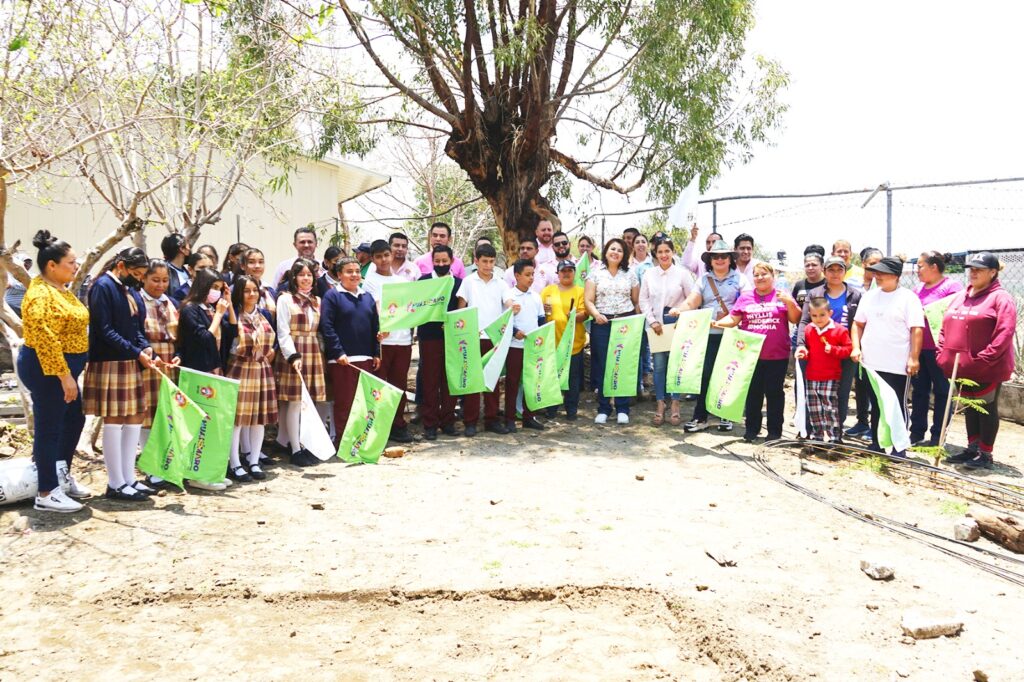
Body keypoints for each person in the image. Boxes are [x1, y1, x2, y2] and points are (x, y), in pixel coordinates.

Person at [17, 231, 91, 512]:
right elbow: (44, 337)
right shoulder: (39, 293)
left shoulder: (61, 289)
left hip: (65, 368)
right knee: (49, 427)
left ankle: (60, 475)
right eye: (71, 262)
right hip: (48, 369)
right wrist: (64, 375)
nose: (76, 266)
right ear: (52, 265)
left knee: (73, 419)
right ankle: (46, 492)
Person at [82, 247, 160, 502]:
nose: (139, 279)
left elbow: (136, 328)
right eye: (136, 273)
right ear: (121, 266)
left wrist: (146, 348)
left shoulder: (129, 290)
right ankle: (115, 483)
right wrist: (136, 352)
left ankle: (129, 478)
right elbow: (104, 329)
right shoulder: (102, 286)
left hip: (129, 360)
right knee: (114, 419)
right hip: (110, 361)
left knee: (135, 416)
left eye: (141, 275)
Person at [937, 253, 1017, 470]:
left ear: (993, 272)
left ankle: (985, 454)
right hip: (960, 366)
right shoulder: (962, 296)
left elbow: (1005, 332)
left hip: (987, 367)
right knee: (970, 407)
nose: (973, 273)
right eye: (971, 269)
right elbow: (944, 326)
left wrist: (984, 359)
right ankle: (972, 449)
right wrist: (942, 353)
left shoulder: (1000, 298)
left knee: (985, 408)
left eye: (979, 269)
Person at [714, 262, 801, 441]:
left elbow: (795, 319)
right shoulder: (745, 297)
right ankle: (752, 429)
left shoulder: (782, 295)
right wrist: (717, 323)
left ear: (772, 276)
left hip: (777, 354)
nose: (760, 278)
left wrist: (789, 302)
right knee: (753, 393)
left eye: (764, 274)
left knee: (774, 393)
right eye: (756, 275)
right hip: (750, 355)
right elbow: (733, 319)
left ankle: (774, 431)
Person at [671, 239, 749, 432]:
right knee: (705, 375)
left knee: (728, 374)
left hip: (731, 335)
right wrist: (680, 309)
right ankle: (701, 417)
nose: (720, 260)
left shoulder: (740, 279)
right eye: (715, 257)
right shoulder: (704, 280)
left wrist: (732, 319)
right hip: (708, 335)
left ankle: (726, 415)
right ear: (710, 260)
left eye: (724, 256)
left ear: (730, 259)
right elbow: (692, 301)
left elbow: (747, 303)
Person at [851, 257, 924, 457]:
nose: (877, 276)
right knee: (876, 404)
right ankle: (878, 443)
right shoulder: (869, 297)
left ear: (895, 275)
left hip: (897, 363)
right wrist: (856, 347)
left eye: (882, 273)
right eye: (876, 272)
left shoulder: (908, 298)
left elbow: (916, 329)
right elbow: (858, 324)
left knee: (896, 405)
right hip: (871, 362)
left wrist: (914, 358)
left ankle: (899, 446)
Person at [796, 257, 863, 436]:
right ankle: (810, 432)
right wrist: (801, 345)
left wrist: (856, 347)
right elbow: (804, 320)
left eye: (839, 270)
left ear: (845, 272)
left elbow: (858, 324)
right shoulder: (815, 293)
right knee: (813, 393)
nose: (835, 274)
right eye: (831, 270)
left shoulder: (855, 295)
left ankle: (835, 434)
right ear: (824, 272)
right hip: (817, 352)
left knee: (840, 394)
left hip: (844, 351)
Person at [321, 257, 381, 444]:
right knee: (345, 403)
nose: (354, 275)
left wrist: (376, 352)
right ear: (339, 274)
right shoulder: (332, 296)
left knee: (365, 403)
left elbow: (375, 327)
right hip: (343, 361)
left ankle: (361, 442)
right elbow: (327, 326)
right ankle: (344, 443)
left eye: (357, 271)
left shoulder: (367, 297)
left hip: (366, 359)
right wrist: (338, 352)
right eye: (349, 271)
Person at [225, 275, 278, 482]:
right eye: (247, 291)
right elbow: (228, 341)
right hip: (239, 368)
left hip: (261, 368)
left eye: (255, 290)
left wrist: (270, 351)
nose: (252, 294)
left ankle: (254, 460)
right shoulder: (233, 315)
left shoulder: (264, 314)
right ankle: (234, 463)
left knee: (259, 418)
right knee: (237, 419)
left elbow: (272, 340)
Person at [274, 258, 327, 466]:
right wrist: (292, 355)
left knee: (307, 401)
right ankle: (295, 449)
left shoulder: (317, 301)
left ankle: (300, 443)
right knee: (294, 401)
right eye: (301, 274)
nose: (306, 278)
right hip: (294, 352)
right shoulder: (285, 299)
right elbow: (283, 331)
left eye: (309, 275)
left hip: (312, 351)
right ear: (294, 277)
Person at [363, 240, 414, 443]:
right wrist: (379, 329)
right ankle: (378, 427)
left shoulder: (402, 282)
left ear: (392, 255)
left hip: (403, 340)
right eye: (378, 257)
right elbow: (374, 308)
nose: (383, 260)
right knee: (380, 386)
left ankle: (398, 424)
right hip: (382, 342)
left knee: (399, 385)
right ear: (372, 259)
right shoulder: (369, 281)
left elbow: (410, 308)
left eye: (386, 255)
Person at [910, 251, 964, 446]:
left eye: (920, 266)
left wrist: (928, 312)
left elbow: (956, 314)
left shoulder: (952, 287)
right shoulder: (917, 289)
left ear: (934, 267)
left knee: (942, 391)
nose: (917, 270)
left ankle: (937, 437)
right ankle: (916, 433)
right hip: (919, 348)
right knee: (919, 392)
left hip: (941, 349)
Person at [639, 238, 694, 426]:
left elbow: (692, 299)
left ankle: (675, 402)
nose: (663, 255)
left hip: (677, 324)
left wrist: (682, 319)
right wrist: (652, 321)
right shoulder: (649, 274)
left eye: (667, 251)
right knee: (659, 366)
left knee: (676, 365)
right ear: (655, 254)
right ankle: (661, 403)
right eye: (660, 252)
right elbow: (643, 300)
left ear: (672, 252)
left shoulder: (682, 274)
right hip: (656, 326)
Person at [584, 238, 639, 425]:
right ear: (606, 251)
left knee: (622, 365)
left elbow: (636, 301)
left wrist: (638, 324)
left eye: (620, 250)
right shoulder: (595, 273)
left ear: (624, 255)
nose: (615, 252)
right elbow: (588, 300)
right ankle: (604, 408)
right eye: (612, 249)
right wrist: (596, 315)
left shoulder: (630, 274)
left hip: (625, 323)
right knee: (602, 366)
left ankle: (622, 408)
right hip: (602, 323)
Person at [457, 243, 508, 435]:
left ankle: (491, 419)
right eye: (484, 261)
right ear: (476, 261)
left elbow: (508, 301)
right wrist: (465, 331)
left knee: (492, 380)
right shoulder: (468, 282)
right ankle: (470, 421)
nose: (488, 265)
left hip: (493, 338)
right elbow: (461, 308)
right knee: (473, 381)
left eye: (491, 261)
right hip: (473, 338)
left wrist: (513, 306)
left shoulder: (501, 283)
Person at [138, 260, 181, 488]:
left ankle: (166, 462)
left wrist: (179, 354)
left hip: (169, 363)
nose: (160, 285)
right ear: (144, 278)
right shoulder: (137, 301)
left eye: (165, 280)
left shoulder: (172, 303)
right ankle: (150, 466)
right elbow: (136, 333)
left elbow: (181, 335)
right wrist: (149, 353)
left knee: (166, 414)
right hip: (148, 362)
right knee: (148, 416)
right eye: (155, 280)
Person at [417, 245, 462, 440]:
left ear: (451, 261)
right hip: (429, 337)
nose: (441, 264)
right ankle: (430, 424)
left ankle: (448, 421)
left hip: (453, 338)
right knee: (430, 380)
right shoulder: (423, 282)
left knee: (450, 379)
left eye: (445, 261)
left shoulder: (459, 283)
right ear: (432, 261)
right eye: (437, 261)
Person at [796, 298, 853, 444]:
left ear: (830, 313)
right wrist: (804, 354)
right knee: (814, 409)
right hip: (812, 375)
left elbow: (848, 349)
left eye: (822, 315)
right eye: (814, 315)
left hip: (830, 376)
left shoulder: (839, 330)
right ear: (810, 315)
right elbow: (809, 350)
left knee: (830, 408)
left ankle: (834, 438)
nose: (818, 319)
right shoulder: (809, 329)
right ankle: (817, 438)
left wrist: (834, 350)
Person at [542, 260, 588, 420]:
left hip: (573, 343)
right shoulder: (548, 291)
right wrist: (543, 310)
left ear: (575, 273)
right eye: (563, 271)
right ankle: (551, 409)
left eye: (570, 270)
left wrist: (575, 316)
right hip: (552, 343)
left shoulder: (581, 291)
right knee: (552, 377)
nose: (566, 273)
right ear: (558, 273)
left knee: (572, 378)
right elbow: (540, 312)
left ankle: (571, 410)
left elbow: (585, 314)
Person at [503, 259, 546, 432]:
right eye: (527, 275)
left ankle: (529, 416)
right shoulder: (509, 297)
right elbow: (504, 320)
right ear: (517, 276)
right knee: (512, 382)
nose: (531, 278)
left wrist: (541, 336)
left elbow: (541, 319)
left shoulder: (536, 297)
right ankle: (510, 418)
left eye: (532, 274)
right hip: (515, 346)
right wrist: (515, 332)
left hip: (532, 347)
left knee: (531, 382)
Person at [239, 247, 277, 317]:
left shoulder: (269, 291)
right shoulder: (235, 290)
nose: (257, 266)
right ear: (242, 266)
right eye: (251, 262)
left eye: (261, 262)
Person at [4, 252, 32, 317]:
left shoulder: (32, 276)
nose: (27, 265)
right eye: (25, 262)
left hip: (26, 306)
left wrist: (13, 285)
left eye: (29, 262)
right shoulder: (8, 275)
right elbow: (5, 285)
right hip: (10, 306)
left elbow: (30, 285)